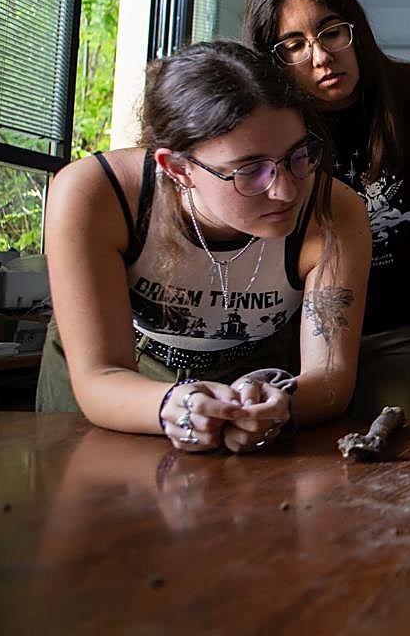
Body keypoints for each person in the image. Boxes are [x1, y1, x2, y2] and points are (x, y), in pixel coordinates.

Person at [38, 42, 371, 452]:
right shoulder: (96, 195)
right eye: (251, 170)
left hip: (252, 372)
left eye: (298, 156)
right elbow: (99, 376)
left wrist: (276, 405)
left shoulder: (332, 209)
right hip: (120, 381)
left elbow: (331, 375)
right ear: (177, 168)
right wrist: (172, 405)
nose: (285, 190)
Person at [244, 0, 410, 420]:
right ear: (272, 60)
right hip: (296, 327)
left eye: (331, 33)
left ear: (356, 30)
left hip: (400, 328)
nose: (320, 56)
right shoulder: (266, 125)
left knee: (392, 448)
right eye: (294, 45)